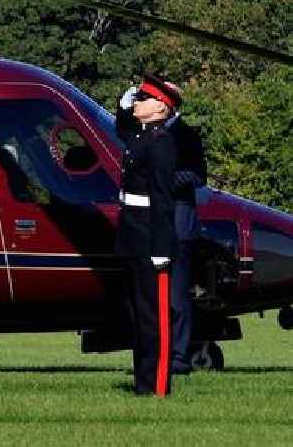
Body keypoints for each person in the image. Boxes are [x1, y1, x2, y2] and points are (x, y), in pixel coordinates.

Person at [115, 73, 179, 397]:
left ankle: (156, 385)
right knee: (137, 314)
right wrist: (124, 101)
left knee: (152, 317)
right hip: (132, 234)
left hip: (150, 237)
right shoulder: (141, 137)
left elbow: (163, 200)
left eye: (144, 98)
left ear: (161, 108)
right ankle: (143, 382)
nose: (136, 102)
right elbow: (122, 127)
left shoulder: (161, 142)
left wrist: (161, 246)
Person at [163, 85, 207, 375]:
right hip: (155, 223)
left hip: (179, 224)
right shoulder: (148, 134)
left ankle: (179, 355)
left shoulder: (186, 135)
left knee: (178, 296)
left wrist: (164, 180)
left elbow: (197, 175)